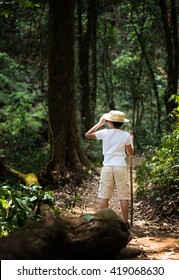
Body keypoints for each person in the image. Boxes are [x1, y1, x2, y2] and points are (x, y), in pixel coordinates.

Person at [85, 110, 134, 227]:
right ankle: (125, 223)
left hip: (107, 167)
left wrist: (99, 123)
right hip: (120, 167)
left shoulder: (105, 132)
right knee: (123, 195)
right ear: (121, 123)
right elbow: (131, 153)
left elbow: (87, 135)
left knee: (105, 195)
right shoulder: (126, 135)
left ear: (110, 122)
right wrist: (131, 141)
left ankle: (103, 223)